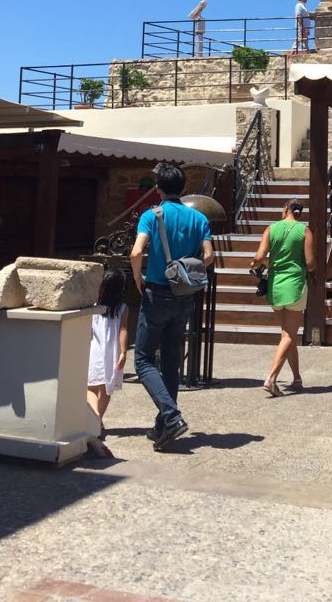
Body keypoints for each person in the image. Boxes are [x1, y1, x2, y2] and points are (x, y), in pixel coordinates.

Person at [130, 161, 214, 450]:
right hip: (184, 294)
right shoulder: (198, 218)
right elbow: (208, 256)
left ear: (158, 189)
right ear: (183, 187)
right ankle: (162, 426)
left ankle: (171, 416)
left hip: (156, 291)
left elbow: (136, 251)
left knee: (143, 360)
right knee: (171, 360)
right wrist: (186, 271)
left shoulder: (151, 215)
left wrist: (138, 279)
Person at [251, 201, 316, 396]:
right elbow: (311, 264)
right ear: (299, 213)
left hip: (275, 286)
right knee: (289, 334)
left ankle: (297, 378)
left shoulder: (271, 229)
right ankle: (271, 378)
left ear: (285, 209)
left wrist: (259, 263)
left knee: (287, 334)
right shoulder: (304, 231)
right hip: (294, 284)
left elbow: (259, 256)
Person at [87, 269, 129, 438]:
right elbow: (123, 329)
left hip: (93, 351)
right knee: (106, 390)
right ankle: (97, 418)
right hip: (112, 352)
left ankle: (94, 418)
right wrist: (123, 352)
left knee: (89, 387)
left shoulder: (93, 307)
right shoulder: (122, 308)